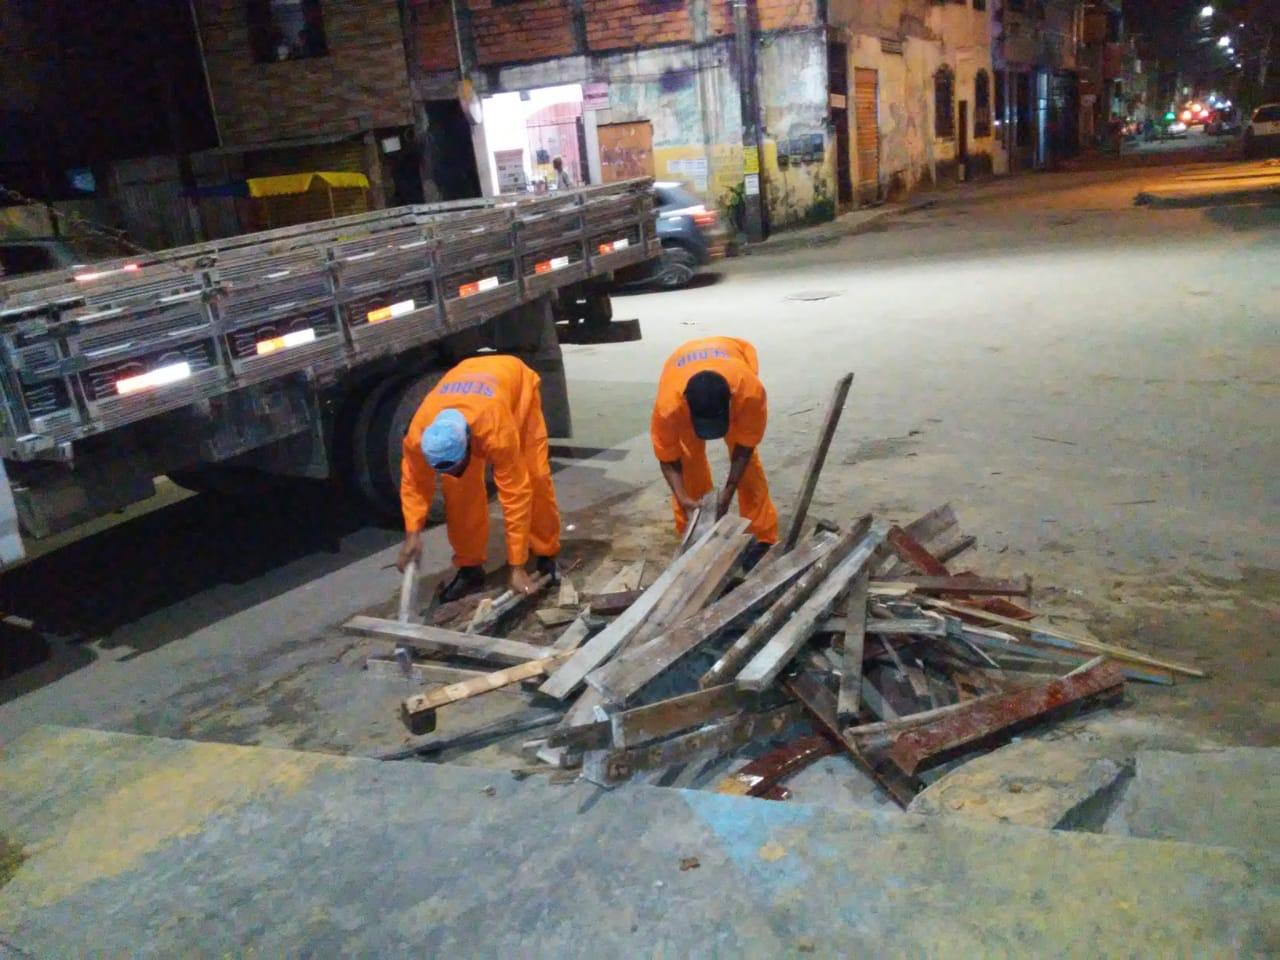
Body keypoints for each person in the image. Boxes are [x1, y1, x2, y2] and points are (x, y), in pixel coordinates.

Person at [398, 355, 561, 601]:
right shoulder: (420, 435)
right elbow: (414, 483)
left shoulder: (494, 429)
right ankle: (469, 568)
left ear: (468, 443)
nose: (451, 473)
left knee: (534, 477)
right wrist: (413, 534)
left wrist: (516, 567)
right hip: (471, 381)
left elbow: (516, 493)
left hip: (513, 385)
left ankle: (546, 554)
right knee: (459, 494)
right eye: (445, 470)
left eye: (456, 465)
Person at [650, 337, 778, 556]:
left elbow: (745, 446)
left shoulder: (749, 392)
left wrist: (729, 490)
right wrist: (683, 498)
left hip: (732, 358)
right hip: (680, 372)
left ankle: (762, 536)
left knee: (748, 470)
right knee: (689, 463)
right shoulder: (668, 407)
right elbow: (668, 457)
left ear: (731, 402)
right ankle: (693, 526)